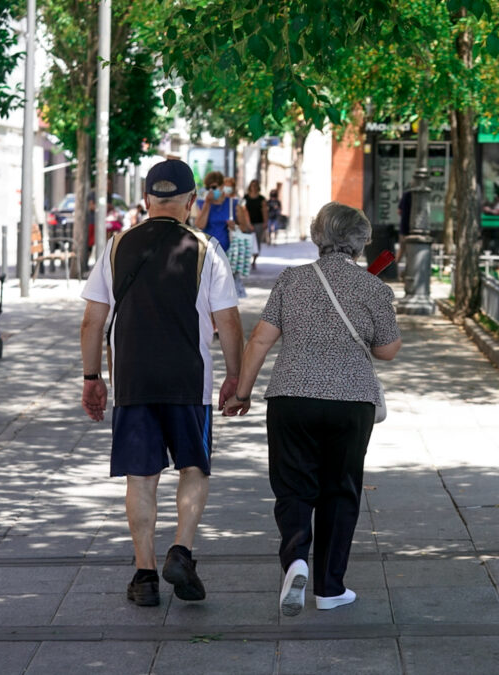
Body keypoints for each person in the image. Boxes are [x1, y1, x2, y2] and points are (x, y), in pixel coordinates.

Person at [223, 202, 402, 616]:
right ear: (360, 241)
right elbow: (387, 350)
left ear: (316, 236)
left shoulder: (292, 280)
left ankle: (296, 560)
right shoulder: (374, 287)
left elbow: (261, 341)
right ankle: (330, 588)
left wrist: (242, 392)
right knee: (340, 490)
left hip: (291, 397)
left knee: (293, 487)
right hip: (351, 402)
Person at [80, 159, 244, 607]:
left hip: (132, 379)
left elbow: (92, 322)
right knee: (194, 466)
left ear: (147, 201)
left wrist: (92, 377)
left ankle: (145, 575)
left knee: (141, 475)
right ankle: (182, 550)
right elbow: (228, 321)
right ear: (192, 202)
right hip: (189, 380)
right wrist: (236, 377)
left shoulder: (116, 247)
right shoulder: (206, 248)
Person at [194, 170, 239, 252]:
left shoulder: (232, 203)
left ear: (222, 186)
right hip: (207, 250)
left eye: (214, 187)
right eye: (208, 188)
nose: (211, 190)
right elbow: (200, 225)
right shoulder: (201, 203)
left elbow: (244, 227)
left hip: (226, 250)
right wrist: (207, 203)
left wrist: (234, 226)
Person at [243, 180, 268, 265]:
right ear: (250, 186)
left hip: (259, 223)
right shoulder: (245, 197)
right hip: (247, 223)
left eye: (255, 185)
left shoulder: (262, 199)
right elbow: (242, 210)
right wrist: (246, 223)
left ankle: (254, 259)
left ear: (258, 187)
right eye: (252, 185)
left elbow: (264, 211)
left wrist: (265, 222)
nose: (253, 187)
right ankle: (247, 259)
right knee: (247, 241)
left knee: (257, 242)